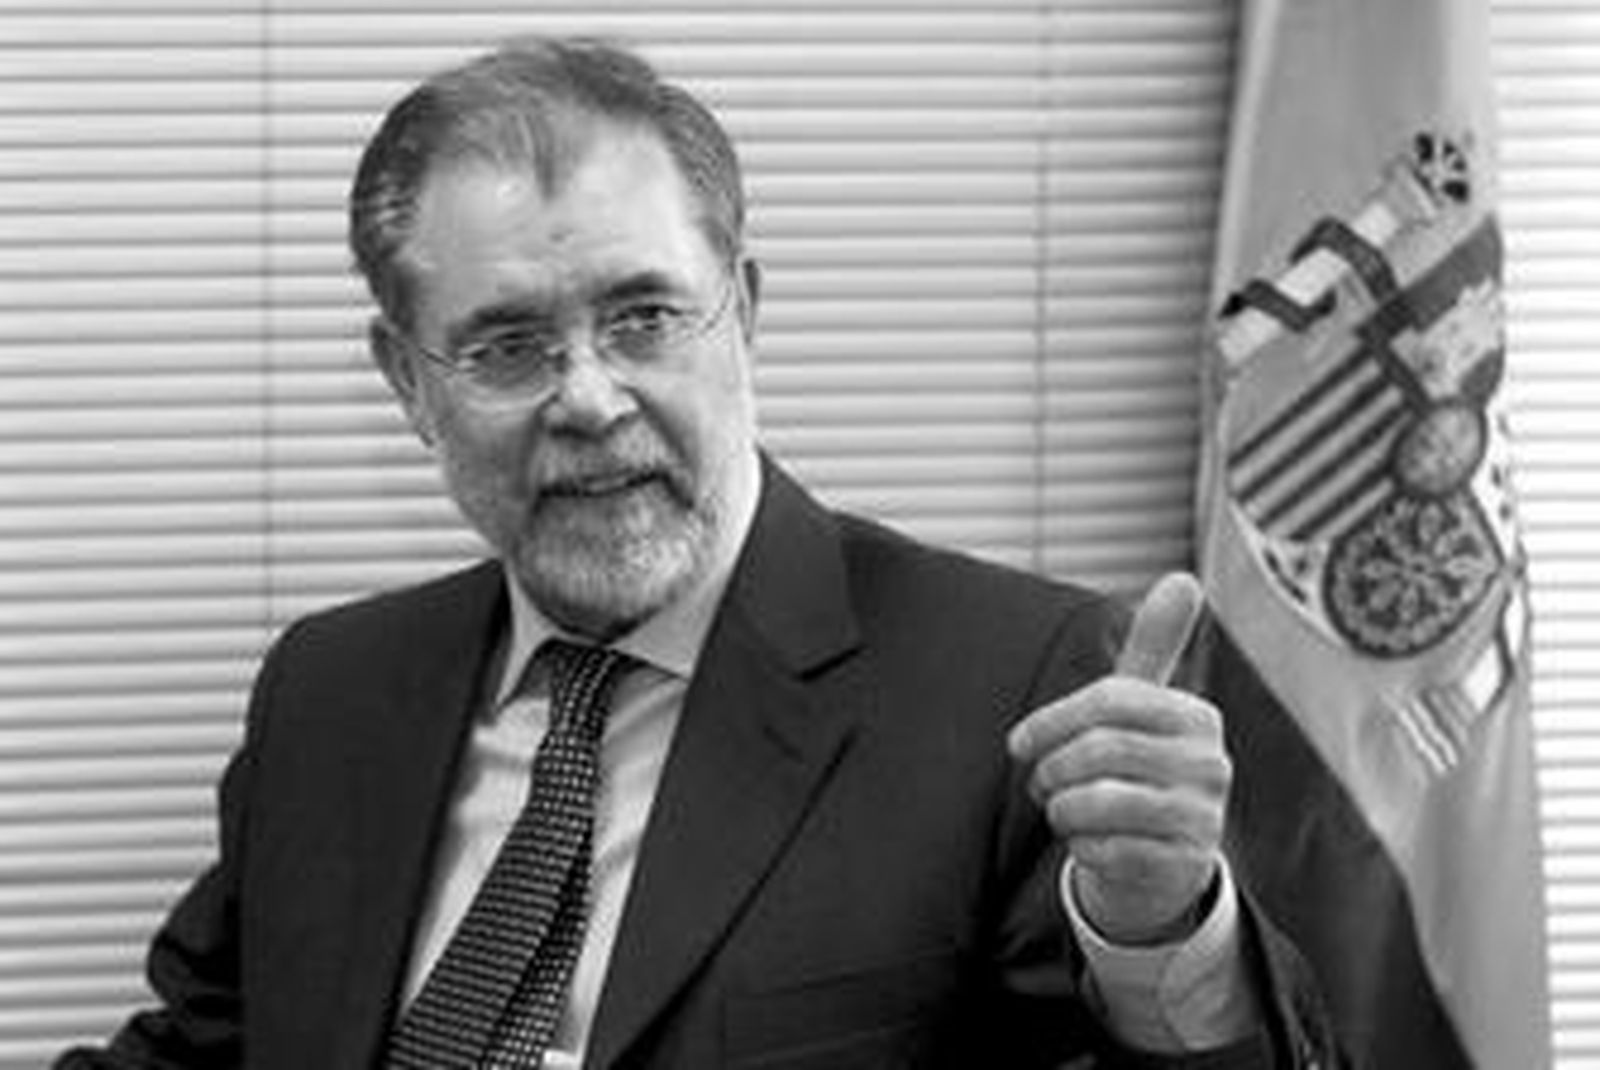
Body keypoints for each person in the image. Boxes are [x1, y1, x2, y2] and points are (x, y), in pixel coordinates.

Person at [57, 36, 1341, 1069]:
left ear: (744, 315)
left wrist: (1159, 934)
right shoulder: (331, 690)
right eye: (507, 345)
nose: (589, 397)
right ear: (408, 382)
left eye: (643, 317)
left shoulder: (1017, 682)